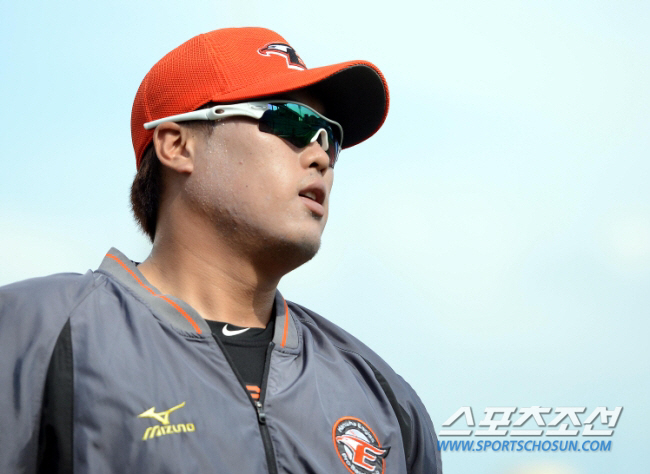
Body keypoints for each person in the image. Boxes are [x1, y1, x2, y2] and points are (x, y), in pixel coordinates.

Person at [0, 27, 442, 473]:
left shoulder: (384, 400)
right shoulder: (34, 332)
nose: (321, 156)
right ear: (177, 145)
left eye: (331, 136)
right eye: (290, 121)